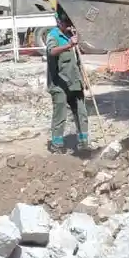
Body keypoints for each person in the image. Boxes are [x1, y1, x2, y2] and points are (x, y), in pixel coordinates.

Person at [44, 14, 89, 154]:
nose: (69, 24)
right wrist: (68, 45)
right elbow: (51, 51)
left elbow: (77, 61)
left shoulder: (72, 34)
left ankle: (83, 144)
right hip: (59, 84)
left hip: (75, 81)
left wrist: (84, 79)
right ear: (58, 21)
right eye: (66, 22)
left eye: (70, 21)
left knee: (81, 113)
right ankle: (57, 145)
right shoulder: (53, 35)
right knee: (60, 115)